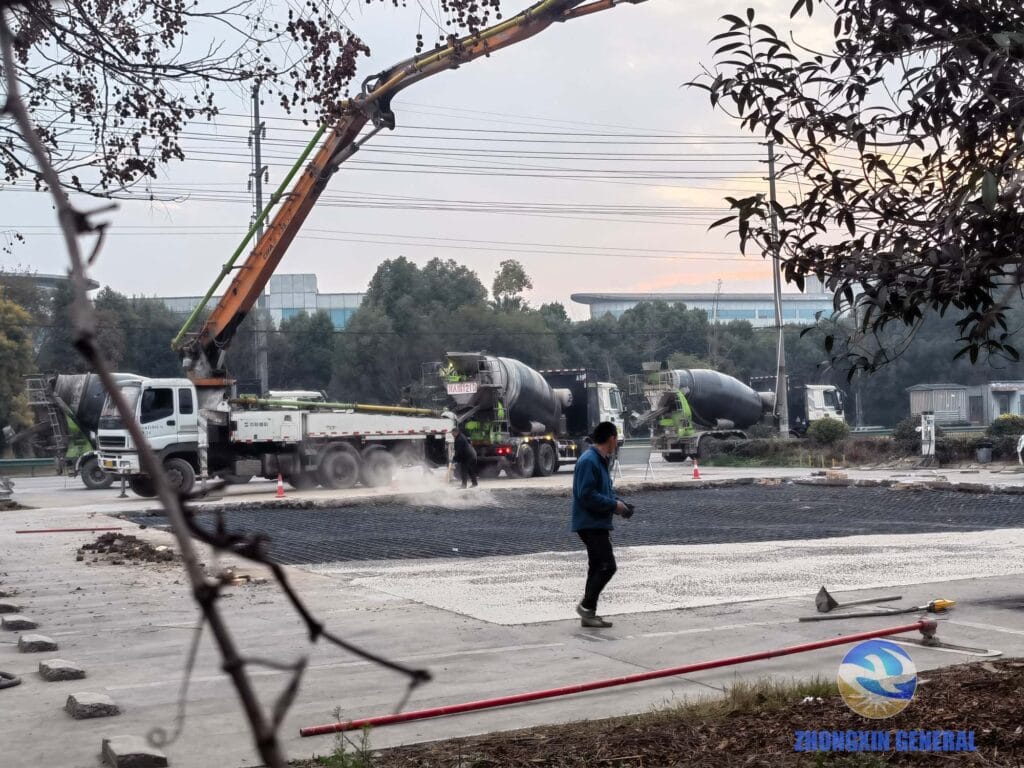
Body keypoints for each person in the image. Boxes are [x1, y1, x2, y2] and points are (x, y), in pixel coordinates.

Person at [571, 420, 630, 628]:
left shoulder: (599, 459)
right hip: (590, 523)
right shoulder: (589, 460)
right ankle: (586, 606)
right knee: (607, 566)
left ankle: (589, 615)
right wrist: (614, 506)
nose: (617, 443)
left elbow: (603, 491)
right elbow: (586, 494)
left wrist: (619, 504)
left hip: (596, 521)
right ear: (611, 438)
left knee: (596, 566)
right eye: (616, 439)